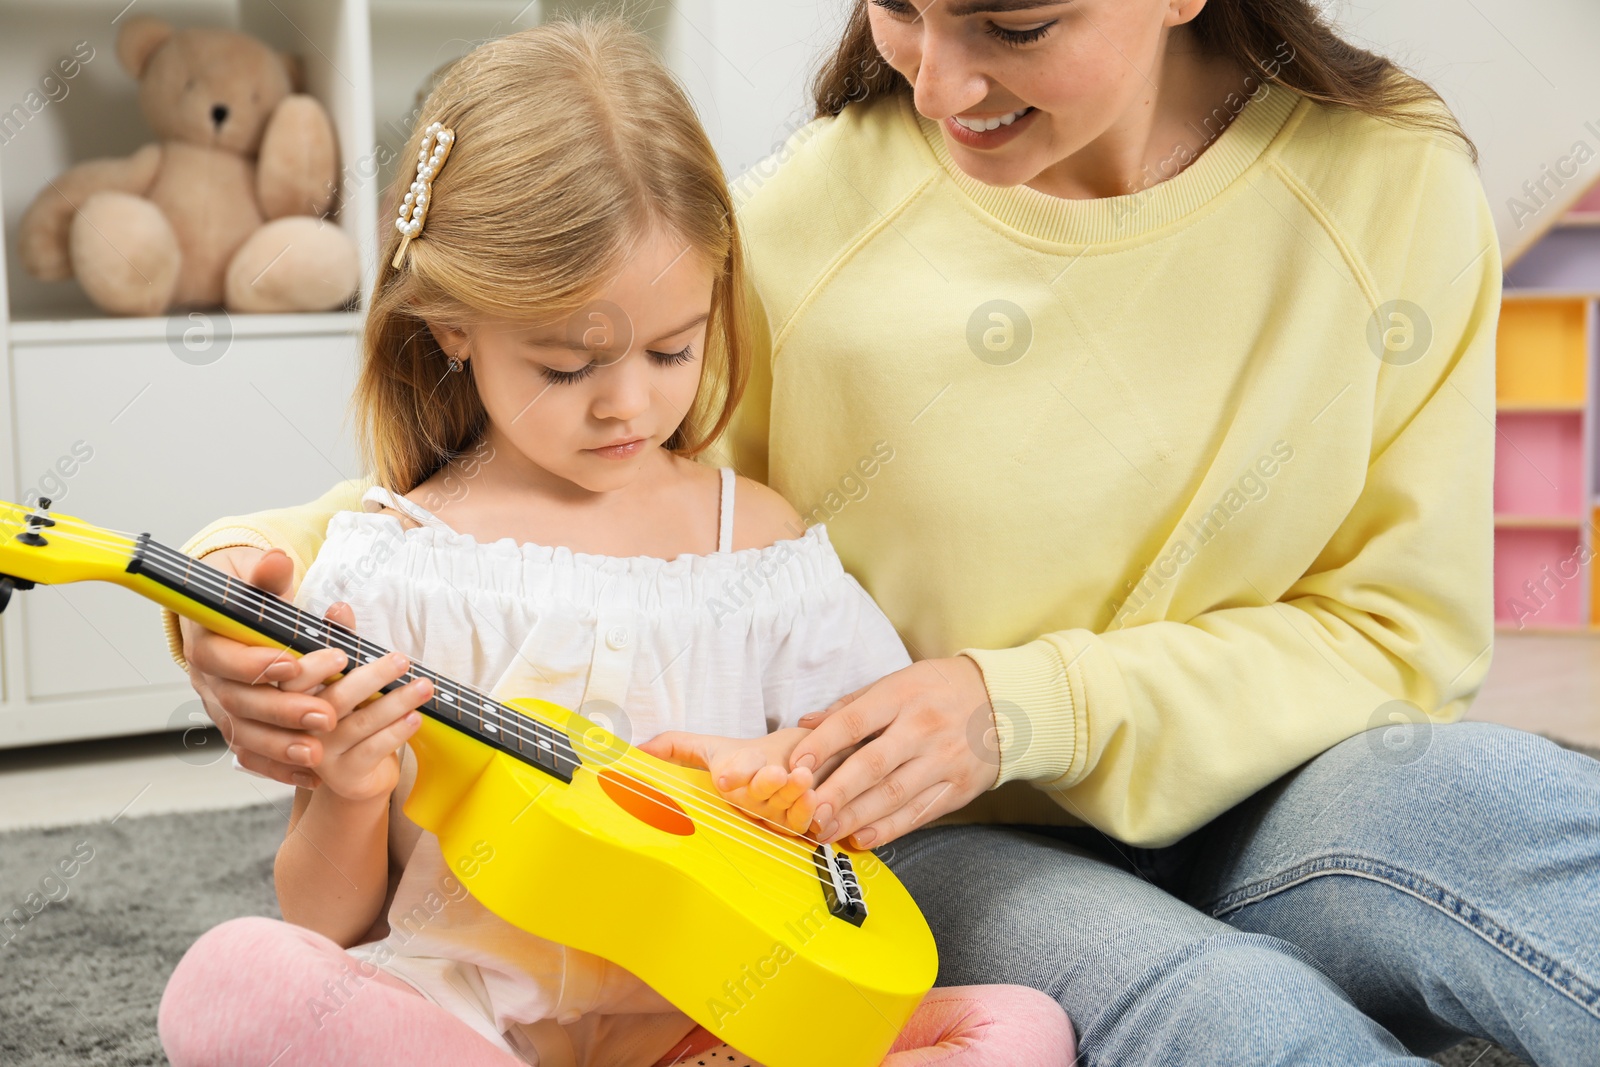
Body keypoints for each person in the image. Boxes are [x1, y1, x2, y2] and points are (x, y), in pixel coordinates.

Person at [166, 1, 1600, 1064]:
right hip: (942, 839)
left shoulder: (1390, 185)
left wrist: (1023, 700)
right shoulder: (810, 214)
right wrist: (234, 572)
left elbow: (1404, 635)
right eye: (901, 9)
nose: (942, 78)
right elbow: (570, 486)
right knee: (1234, 1015)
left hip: (1289, 781)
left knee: (1511, 816)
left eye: (1013, 24)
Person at [154, 19, 1074, 1067]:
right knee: (236, 979)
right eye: (564, 365)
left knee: (1017, 1025)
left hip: (709, 1026)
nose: (626, 405)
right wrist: (354, 795)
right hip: (462, 1014)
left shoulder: (757, 549)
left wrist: (777, 771)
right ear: (452, 324)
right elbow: (323, 920)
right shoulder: (387, 568)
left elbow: (868, 792)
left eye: (673, 349)